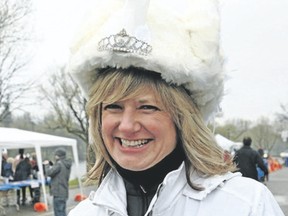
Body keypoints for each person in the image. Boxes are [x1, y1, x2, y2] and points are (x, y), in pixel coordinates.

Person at [66, 0, 284, 215]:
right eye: (114, 106)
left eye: (147, 107)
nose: (127, 126)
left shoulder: (246, 206)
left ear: (182, 118)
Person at [46, 148, 72, 216]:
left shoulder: (59, 164)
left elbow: (49, 173)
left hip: (58, 192)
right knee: (62, 211)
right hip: (64, 191)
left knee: (58, 212)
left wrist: (47, 165)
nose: (55, 156)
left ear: (58, 155)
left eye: (56, 155)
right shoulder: (66, 164)